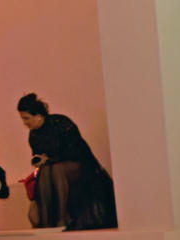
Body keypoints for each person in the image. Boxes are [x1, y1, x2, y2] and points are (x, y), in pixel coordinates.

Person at [16, 93, 116, 230]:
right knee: (45, 171)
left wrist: (51, 158)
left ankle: (61, 218)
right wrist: (41, 161)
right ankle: (47, 222)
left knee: (57, 169)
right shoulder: (33, 135)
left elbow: (76, 151)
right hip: (52, 169)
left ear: (38, 115)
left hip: (80, 165)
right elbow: (39, 156)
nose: (25, 122)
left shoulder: (61, 123)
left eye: (26, 118)